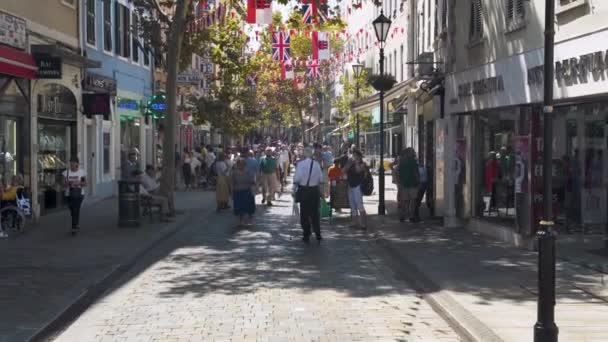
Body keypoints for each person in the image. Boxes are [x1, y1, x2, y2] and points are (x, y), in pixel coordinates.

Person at [293, 147, 323, 243]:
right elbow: (321, 179)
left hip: (304, 190)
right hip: (314, 190)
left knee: (304, 213)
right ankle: (317, 232)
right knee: (315, 212)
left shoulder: (300, 164)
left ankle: (306, 233)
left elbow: (297, 179)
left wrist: (294, 189)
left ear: (305, 154)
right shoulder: (317, 164)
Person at [344, 149, 368, 229]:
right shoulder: (350, 163)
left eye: (355, 155)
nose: (353, 157)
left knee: (359, 204)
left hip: (357, 186)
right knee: (352, 205)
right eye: (353, 155)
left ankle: (363, 223)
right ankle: (354, 222)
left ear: (359, 156)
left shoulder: (363, 164)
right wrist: (349, 163)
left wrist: (356, 162)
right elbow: (343, 170)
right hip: (350, 186)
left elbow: (358, 170)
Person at [63, 157, 87, 235]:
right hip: (68, 194)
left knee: (75, 209)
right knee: (73, 210)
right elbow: (63, 183)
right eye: (71, 163)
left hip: (79, 194)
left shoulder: (81, 173)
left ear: (77, 164)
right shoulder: (66, 172)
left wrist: (78, 183)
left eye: (74, 163)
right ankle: (76, 223)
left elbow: (84, 184)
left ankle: (74, 227)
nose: (72, 165)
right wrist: (69, 183)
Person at [232, 158, 256, 226]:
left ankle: (250, 218)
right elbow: (232, 182)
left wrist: (251, 182)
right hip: (238, 191)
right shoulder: (234, 172)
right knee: (239, 206)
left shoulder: (249, 171)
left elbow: (253, 182)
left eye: (242, 164)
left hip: (247, 191)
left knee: (249, 206)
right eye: (239, 164)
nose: (241, 166)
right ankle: (241, 219)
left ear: (245, 165)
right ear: (237, 165)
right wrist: (231, 192)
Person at [398, 148, 420, 222]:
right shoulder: (413, 162)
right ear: (408, 153)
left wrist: (399, 182)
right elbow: (416, 173)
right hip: (413, 184)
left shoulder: (402, 161)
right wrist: (418, 181)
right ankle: (412, 216)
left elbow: (398, 172)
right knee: (413, 200)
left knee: (405, 201)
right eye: (412, 152)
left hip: (404, 184)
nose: (414, 153)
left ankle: (403, 215)